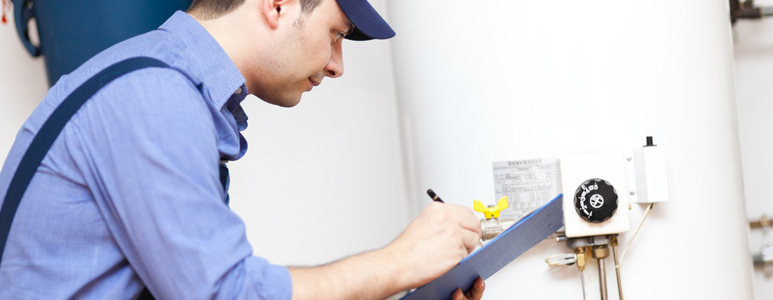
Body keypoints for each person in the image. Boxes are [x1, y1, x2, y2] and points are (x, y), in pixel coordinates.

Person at [0, 0, 485, 299]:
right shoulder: (154, 96)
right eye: (336, 34)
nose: (338, 65)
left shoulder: (162, 83)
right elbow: (224, 294)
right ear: (277, 5)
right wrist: (399, 262)